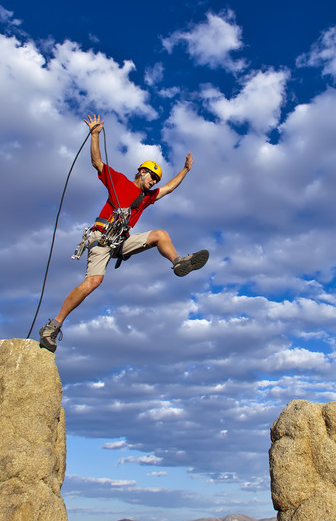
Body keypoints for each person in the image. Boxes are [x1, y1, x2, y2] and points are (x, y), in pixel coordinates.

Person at [39, 114, 209, 352]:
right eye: (151, 175)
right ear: (141, 172)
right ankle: (53, 326)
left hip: (121, 242)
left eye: (156, 178)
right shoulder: (118, 181)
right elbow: (97, 162)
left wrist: (185, 170)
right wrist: (95, 135)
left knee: (160, 234)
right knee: (93, 282)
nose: (154, 180)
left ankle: (179, 262)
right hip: (102, 238)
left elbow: (169, 188)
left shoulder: (148, 198)